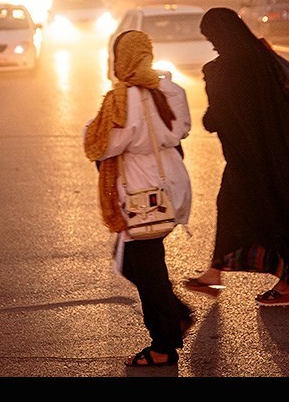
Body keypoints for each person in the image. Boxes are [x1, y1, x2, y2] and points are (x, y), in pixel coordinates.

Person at [183, 7, 289, 307]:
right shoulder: (261, 59)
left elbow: (215, 119)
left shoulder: (220, 70)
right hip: (280, 150)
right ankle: (229, 274)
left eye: (211, 36)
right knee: (277, 211)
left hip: (247, 158)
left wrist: (209, 118)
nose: (212, 43)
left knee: (244, 209)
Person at [84, 30, 193, 367]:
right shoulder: (171, 88)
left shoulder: (123, 98)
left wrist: (94, 123)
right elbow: (181, 130)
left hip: (141, 192)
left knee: (144, 265)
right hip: (170, 183)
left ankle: (164, 344)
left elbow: (105, 145)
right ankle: (174, 314)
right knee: (137, 261)